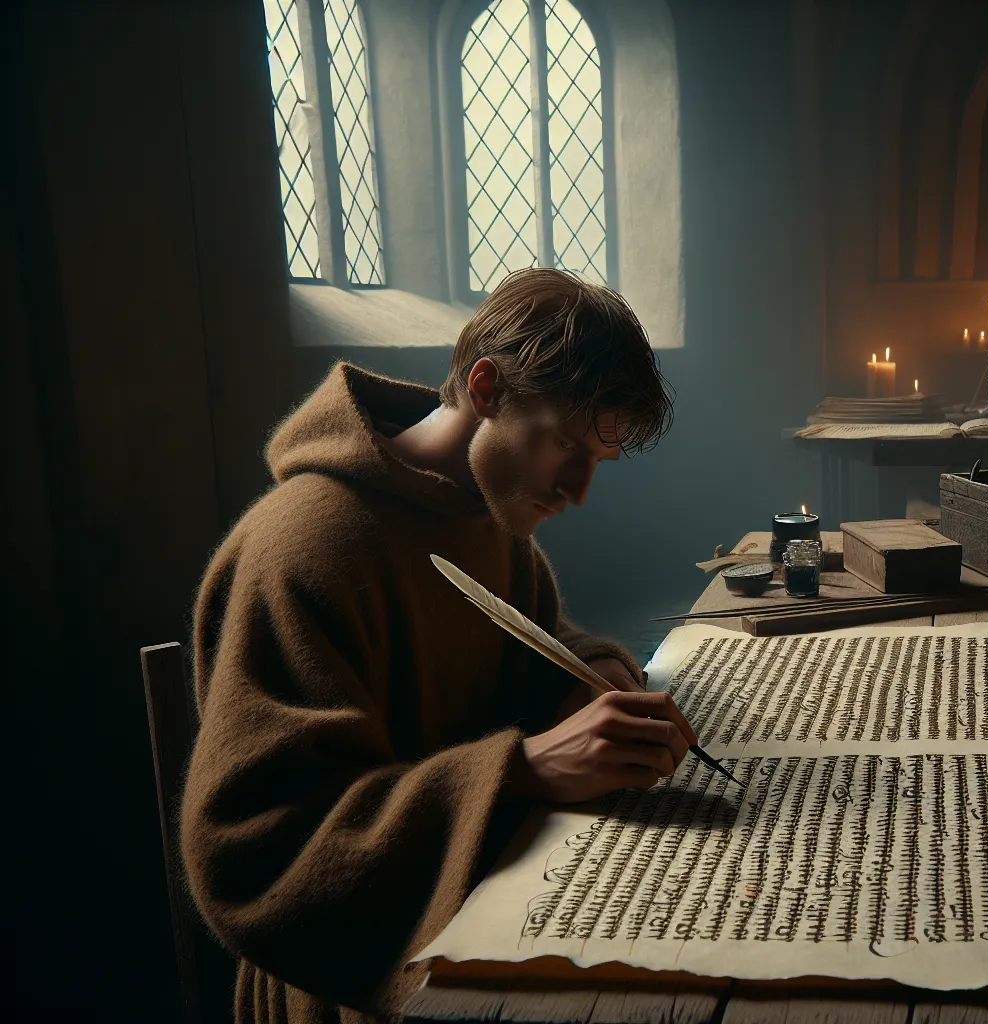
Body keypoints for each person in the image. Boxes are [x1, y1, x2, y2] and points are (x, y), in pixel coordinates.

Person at [181, 268, 693, 1023]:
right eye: (563, 448)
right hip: (350, 984)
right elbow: (258, 852)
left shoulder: (486, 519)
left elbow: (544, 640)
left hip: (492, 906)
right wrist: (521, 771)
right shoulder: (303, 547)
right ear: (486, 390)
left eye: (598, 464)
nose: (578, 491)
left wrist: (596, 676)